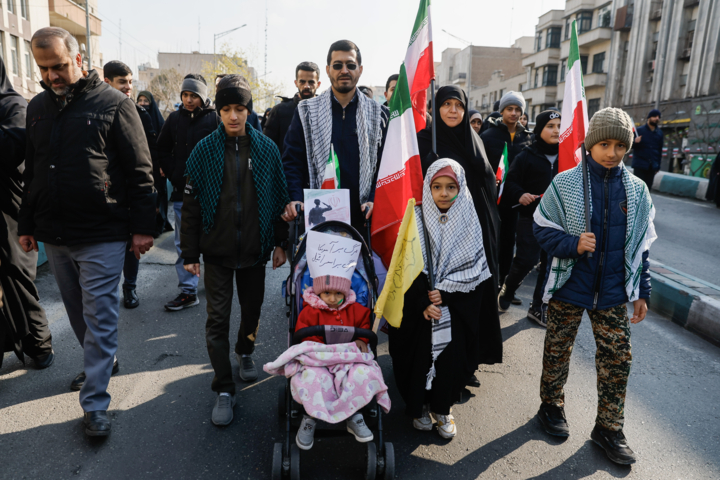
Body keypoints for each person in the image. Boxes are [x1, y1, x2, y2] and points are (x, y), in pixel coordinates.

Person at [19, 27, 156, 436]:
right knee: (78, 314)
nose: (52, 76)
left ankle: (95, 403)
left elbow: (140, 170)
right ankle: (104, 362)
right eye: (43, 68)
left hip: (103, 231)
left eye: (59, 66)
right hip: (56, 235)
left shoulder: (114, 104)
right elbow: (34, 170)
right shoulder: (37, 108)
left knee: (99, 316)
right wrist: (28, 224)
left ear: (79, 59)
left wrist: (142, 228)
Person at [533, 107, 656, 465]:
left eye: (620, 145)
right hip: (571, 285)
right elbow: (542, 228)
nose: (612, 152)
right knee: (558, 350)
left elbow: (640, 245)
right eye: (604, 143)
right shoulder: (566, 183)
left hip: (615, 292)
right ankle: (551, 406)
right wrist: (573, 244)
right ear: (589, 144)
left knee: (618, 357)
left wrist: (642, 291)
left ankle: (609, 428)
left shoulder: (636, 190)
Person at [180, 75, 290, 426]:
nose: (232, 116)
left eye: (239, 108)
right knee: (217, 320)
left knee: (252, 311)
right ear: (218, 110)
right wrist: (188, 253)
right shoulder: (203, 151)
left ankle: (245, 350)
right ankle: (224, 388)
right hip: (217, 253)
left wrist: (280, 243)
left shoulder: (267, 149)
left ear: (248, 110)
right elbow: (191, 207)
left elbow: (278, 198)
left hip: (255, 252)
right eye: (226, 108)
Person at [388, 159, 493, 439]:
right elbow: (404, 266)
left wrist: (446, 294)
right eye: (436, 187)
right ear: (428, 188)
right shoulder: (416, 219)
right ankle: (419, 406)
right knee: (417, 360)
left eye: (450, 187)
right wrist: (423, 301)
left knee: (450, 362)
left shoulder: (470, 220)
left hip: (455, 310)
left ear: (461, 189)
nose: (444, 193)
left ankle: (442, 409)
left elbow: (475, 271)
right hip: (420, 312)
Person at [416, 85, 503, 389]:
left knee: (476, 294)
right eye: (446, 104)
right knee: (449, 295)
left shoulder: (474, 138)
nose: (453, 110)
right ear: (436, 108)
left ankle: (469, 361)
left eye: (459, 105)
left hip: (481, 227)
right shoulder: (426, 142)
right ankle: (443, 366)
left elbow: (487, 179)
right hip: (444, 230)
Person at [282, 40, 388, 237]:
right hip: (318, 220)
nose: (344, 70)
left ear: (360, 69)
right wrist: (296, 198)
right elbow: (292, 160)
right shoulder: (306, 112)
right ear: (328, 70)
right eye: (337, 65)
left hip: (364, 220)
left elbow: (384, 166)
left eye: (351, 65)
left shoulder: (379, 115)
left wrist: (374, 199)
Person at [0, 55, 54, 371]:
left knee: (16, 279)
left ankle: (39, 344)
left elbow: (13, 148)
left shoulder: (14, 105)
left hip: (9, 212)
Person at [292, 268, 375, 449]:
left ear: (345, 293)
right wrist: (321, 351)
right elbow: (303, 337)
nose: (332, 298)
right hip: (319, 357)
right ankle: (311, 416)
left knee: (359, 374)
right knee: (313, 378)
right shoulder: (310, 312)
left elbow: (365, 324)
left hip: (347, 357)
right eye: (327, 293)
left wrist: (362, 339)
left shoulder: (355, 310)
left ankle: (353, 413)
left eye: (338, 293)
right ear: (318, 292)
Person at [157, 73, 219, 311]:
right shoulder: (173, 119)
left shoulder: (215, 119)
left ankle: (215, 284)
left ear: (203, 97)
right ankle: (188, 290)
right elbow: (161, 149)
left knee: (213, 240)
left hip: (212, 194)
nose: (189, 100)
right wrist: (174, 172)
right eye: (185, 94)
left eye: (194, 95)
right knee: (184, 242)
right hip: (182, 193)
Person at [103, 60, 159, 310]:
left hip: (134, 190)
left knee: (133, 244)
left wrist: (151, 197)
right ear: (107, 82)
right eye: (122, 82)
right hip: (108, 193)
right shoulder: (96, 111)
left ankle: (130, 287)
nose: (128, 87)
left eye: (130, 82)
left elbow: (148, 157)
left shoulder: (141, 113)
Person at [497, 110, 561, 326]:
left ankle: (537, 307)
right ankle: (508, 288)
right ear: (539, 129)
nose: (556, 130)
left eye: (559, 126)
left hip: (557, 221)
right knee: (527, 260)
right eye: (550, 126)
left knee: (549, 264)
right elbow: (510, 183)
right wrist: (520, 194)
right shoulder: (526, 155)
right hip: (530, 218)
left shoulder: (568, 157)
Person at [481, 91, 532, 296]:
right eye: (509, 109)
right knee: (492, 241)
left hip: (517, 201)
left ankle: (504, 284)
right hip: (493, 199)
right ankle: (488, 285)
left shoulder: (528, 138)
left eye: (517, 109)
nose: (513, 113)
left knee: (510, 244)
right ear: (501, 110)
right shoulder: (487, 136)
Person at [264, 61, 321, 154]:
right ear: (296, 83)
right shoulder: (279, 111)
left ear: (318, 84)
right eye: (302, 82)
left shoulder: (326, 110)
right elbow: (267, 148)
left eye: (311, 82)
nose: (306, 86)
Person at [137, 90, 172, 236]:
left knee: (159, 195)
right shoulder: (134, 117)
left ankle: (159, 224)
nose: (143, 103)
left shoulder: (160, 122)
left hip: (157, 164)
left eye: (146, 100)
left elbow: (165, 145)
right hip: (141, 162)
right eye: (141, 100)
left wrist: (163, 165)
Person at [632, 109, 664, 190]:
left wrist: (657, 166)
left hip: (652, 166)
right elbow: (628, 145)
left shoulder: (659, 133)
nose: (657, 118)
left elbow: (659, 150)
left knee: (647, 190)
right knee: (637, 189)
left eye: (658, 117)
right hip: (640, 165)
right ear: (649, 118)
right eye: (654, 116)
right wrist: (635, 142)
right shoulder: (639, 131)